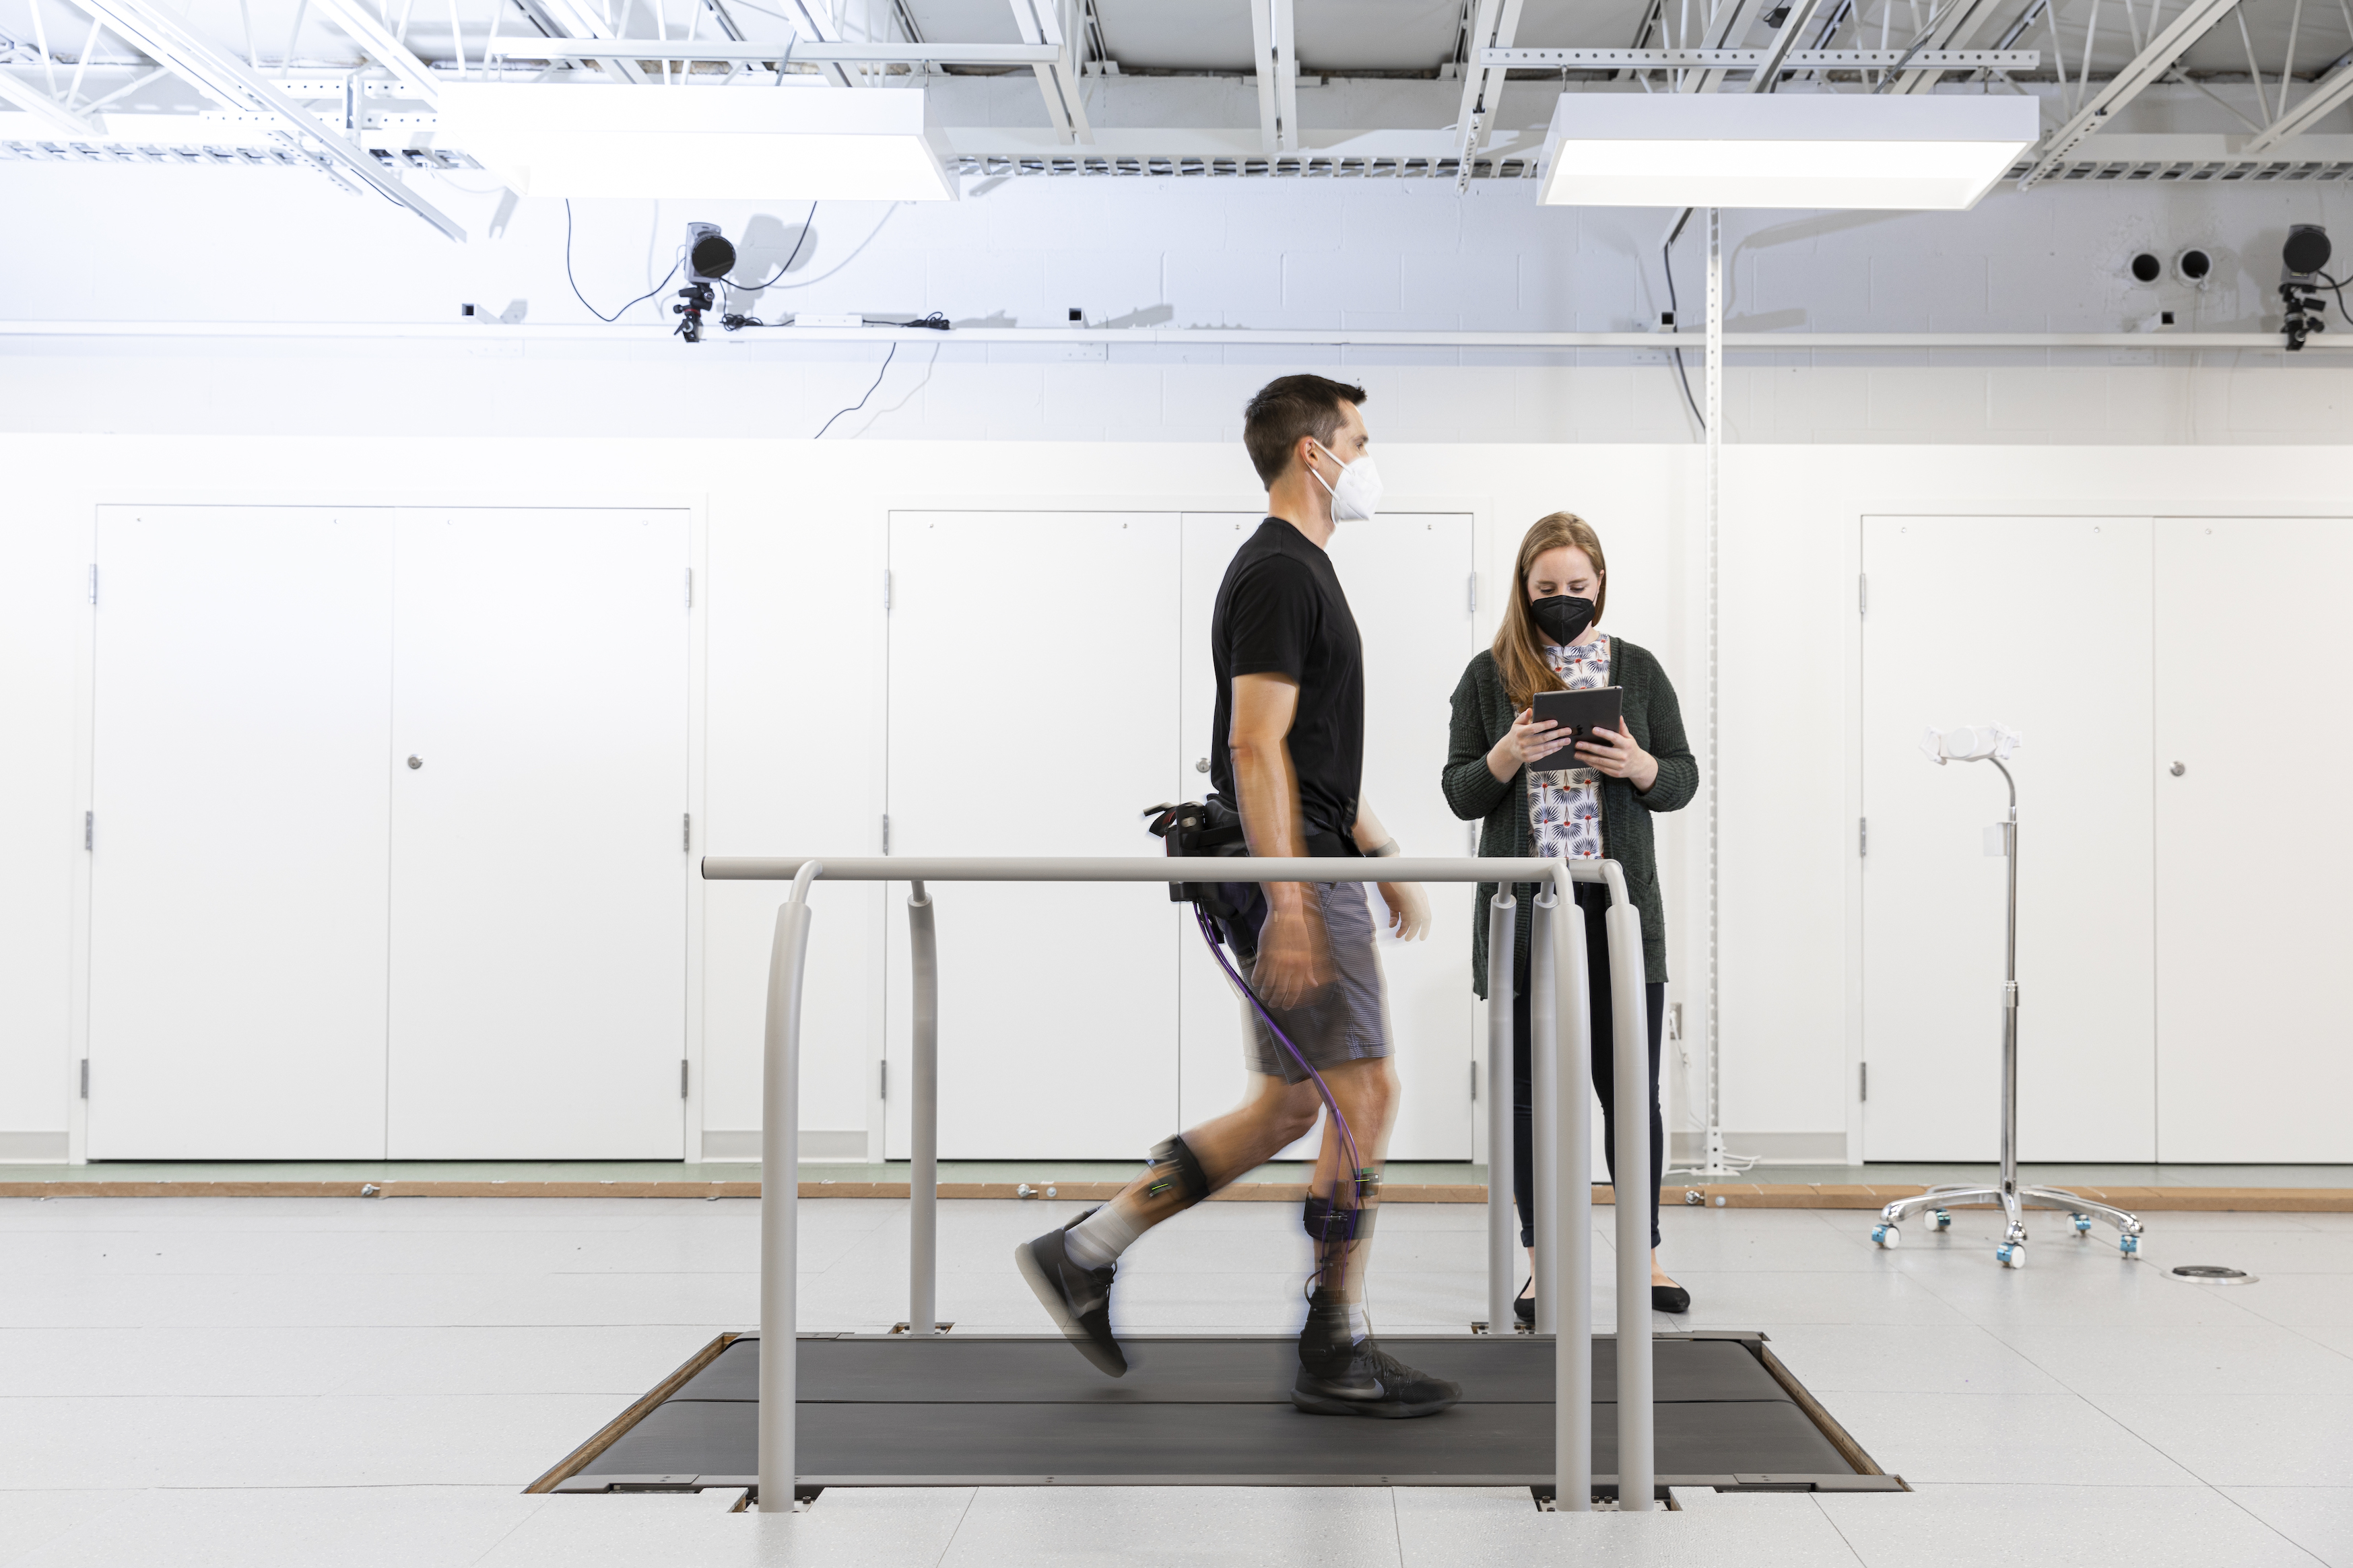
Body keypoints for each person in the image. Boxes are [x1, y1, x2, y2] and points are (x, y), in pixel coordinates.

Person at [1017, 374, 1457, 1419]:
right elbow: (1251, 746)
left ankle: (1085, 1250)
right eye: (1358, 437)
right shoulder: (1276, 572)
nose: (1367, 456)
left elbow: (1306, 757)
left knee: (1291, 1104)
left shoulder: (1299, 570)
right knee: (1366, 1098)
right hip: (1291, 871)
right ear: (1315, 453)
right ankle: (1333, 1344)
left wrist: (1377, 849)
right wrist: (1295, 901)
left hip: (1311, 853)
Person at [1442, 512, 1696, 1322]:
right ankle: (1538, 1263)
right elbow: (1457, 792)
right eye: (1545, 588)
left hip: (1615, 911)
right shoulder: (1488, 676)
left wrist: (1639, 764)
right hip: (1524, 912)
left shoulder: (1640, 671)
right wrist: (1503, 756)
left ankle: (1644, 1259)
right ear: (1523, 588)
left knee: (1628, 1091)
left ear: (1599, 587)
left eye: (1575, 588)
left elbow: (1683, 778)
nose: (1561, 600)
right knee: (1524, 1095)